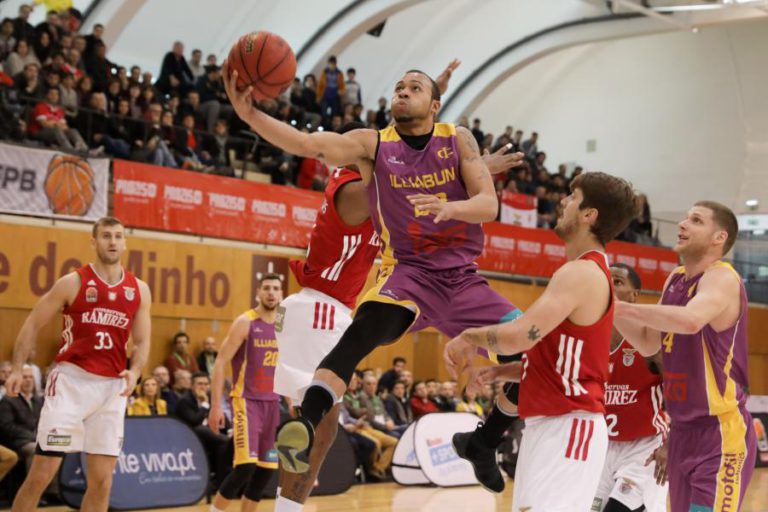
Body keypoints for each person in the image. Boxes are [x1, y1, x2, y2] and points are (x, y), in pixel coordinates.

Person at [225, 58, 522, 510]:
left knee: (539, 352)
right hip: (408, 274)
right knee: (361, 332)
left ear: (436, 103)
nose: (401, 91)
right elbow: (308, 143)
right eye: (398, 86)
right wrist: (249, 115)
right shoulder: (372, 148)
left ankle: (485, 442)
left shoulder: (457, 138)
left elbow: (486, 205)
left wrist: (453, 203)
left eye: (414, 87)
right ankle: (304, 422)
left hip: (462, 279)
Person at [445, 172, 637, 508]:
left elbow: (519, 336)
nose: (563, 201)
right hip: (550, 426)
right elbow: (561, 357)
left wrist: (467, 336)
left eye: (572, 196)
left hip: (569, 426)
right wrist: (502, 373)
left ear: (589, 214)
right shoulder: (581, 271)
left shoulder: (581, 273)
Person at [613, 201, 756, 512]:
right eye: (685, 218)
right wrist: (605, 307)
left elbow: (691, 320)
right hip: (681, 431)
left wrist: (619, 307)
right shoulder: (675, 278)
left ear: (719, 237)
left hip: (720, 432)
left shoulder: (722, 278)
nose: (682, 225)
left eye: (695, 220)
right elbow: (649, 343)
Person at [6, 216, 151, 512]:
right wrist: (18, 368)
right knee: (41, 474)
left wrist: (135, 372)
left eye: (118, 236)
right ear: (94, 242)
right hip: (71, 384)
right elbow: (32, 323)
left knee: (102, 482)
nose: (113, 241)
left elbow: (143, 340)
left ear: (125, 242)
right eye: (107, 236)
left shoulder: (139, 289)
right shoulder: (73, 282)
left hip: (112, 388)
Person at [593, 263, 669, 512]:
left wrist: (670, 445)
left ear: (635, 295)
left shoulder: (648, 340)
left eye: (617, 282)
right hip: (604, 446)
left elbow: (680, 389)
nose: (609, 287)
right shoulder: (592, 337)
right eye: (606, 281)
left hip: (645, 446)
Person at [207, 274, 284, 512]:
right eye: (267, 288)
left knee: (266, 470)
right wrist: (216, 406)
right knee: (245, 467)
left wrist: (292, 399)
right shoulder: (245, 322)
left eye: (276, 289)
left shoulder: (282, 322)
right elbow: (220, 362)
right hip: (246, 402)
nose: (271, 293)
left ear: (281, 294)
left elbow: (285, 364)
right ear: (258, 292)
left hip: (272, 403)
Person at [0, 365, 43, 472]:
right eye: (24, 377)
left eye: (31, 377)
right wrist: (33, 437)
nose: (28, 380)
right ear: (18, 380)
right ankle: (31, 487)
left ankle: (53, 489)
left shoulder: (38, 400)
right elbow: (8, 426)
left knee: (56, 449)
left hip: (37, 439)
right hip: (17, 442)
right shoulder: (9, 399)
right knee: (35, 449)